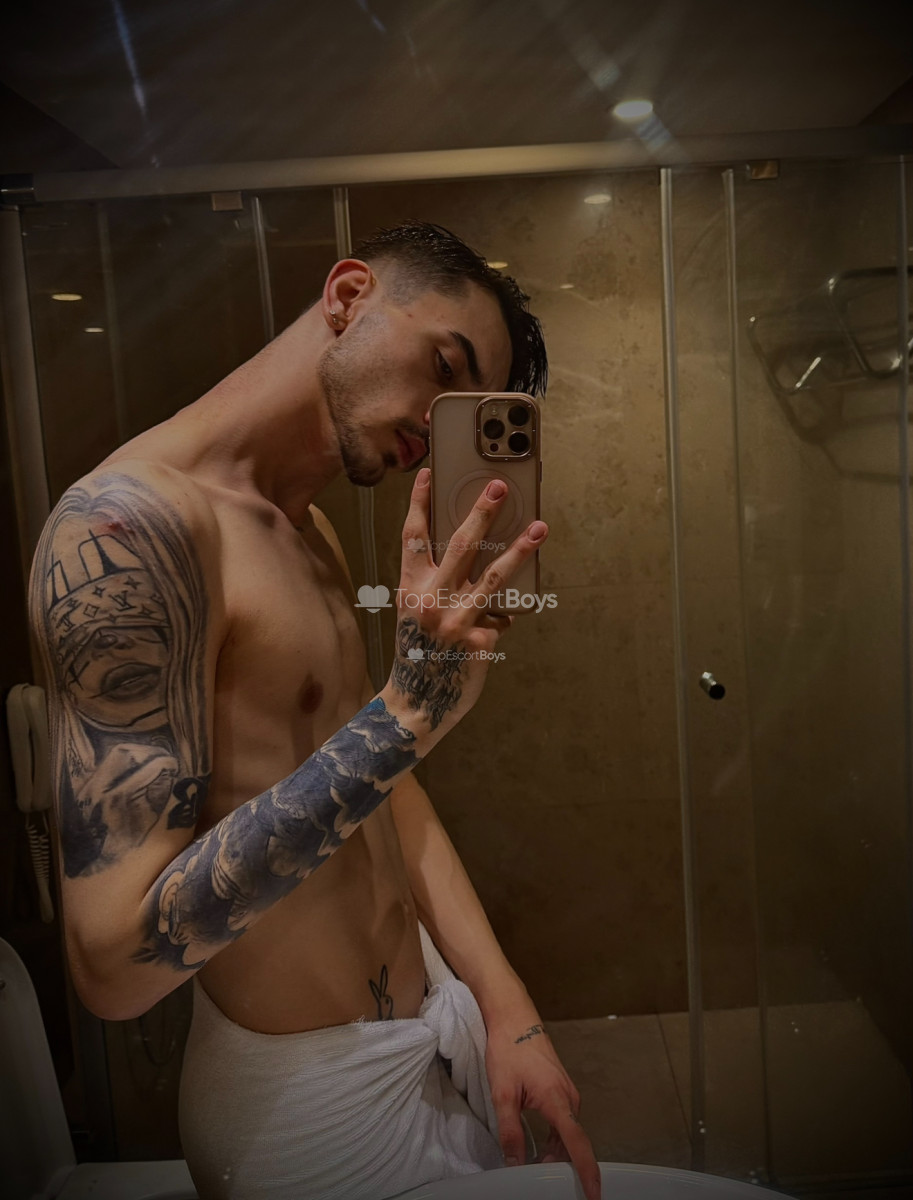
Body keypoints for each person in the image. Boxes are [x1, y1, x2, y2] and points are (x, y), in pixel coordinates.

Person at [28, 221, 601, 1200]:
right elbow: (112, 967)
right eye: (443, 366)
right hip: (307, 1111)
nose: (436, 422)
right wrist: (404, 714)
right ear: (346, 297)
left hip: (424, 1034)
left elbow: (385, 793)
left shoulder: (310, 532)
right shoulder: (128, 531)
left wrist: (506, 1009)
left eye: (467, 404)